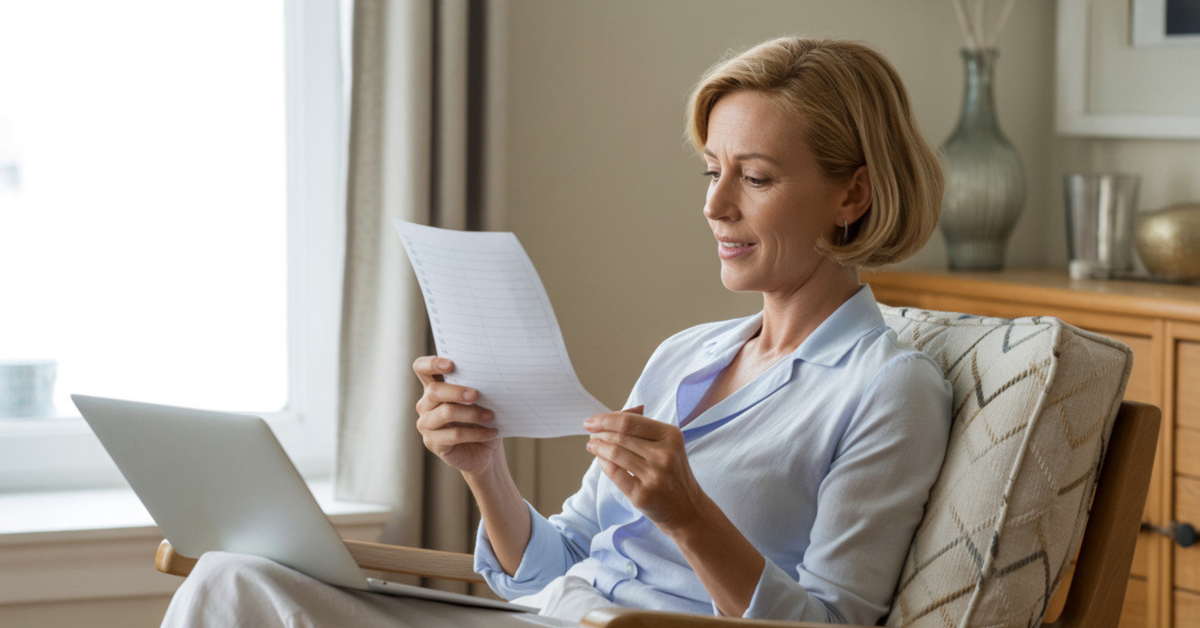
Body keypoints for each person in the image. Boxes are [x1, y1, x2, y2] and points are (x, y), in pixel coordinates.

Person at [160, 35, 950, 627]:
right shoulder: (689, 354)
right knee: (231, 577)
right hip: (547, 615)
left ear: (853, 195)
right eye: (713, 170)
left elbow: (834, 624)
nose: (715, 206)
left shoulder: (889, 387)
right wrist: (483, 468)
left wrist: (691, 517)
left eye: (757, 177)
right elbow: (557, 561)